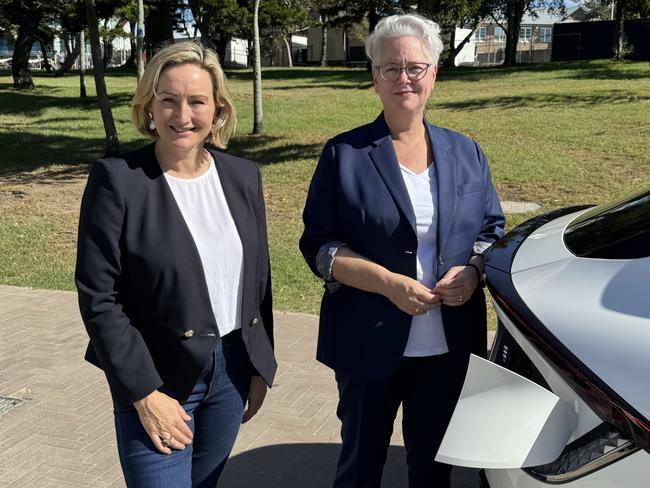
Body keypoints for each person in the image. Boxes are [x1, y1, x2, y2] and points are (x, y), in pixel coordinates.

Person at [299, 14, 505, 488]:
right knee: (360, 468)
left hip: (447, 347)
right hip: (367, 343)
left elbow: (492, 230)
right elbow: (319, 245)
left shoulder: (467, 152)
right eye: (390, 68)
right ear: (374, 77)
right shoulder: (344, 155)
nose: (404, 78)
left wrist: (473, 272)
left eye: (415, 67)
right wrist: (387, 284)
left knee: (433, 471)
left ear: (434, 73)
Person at [75, 41, 276, 487]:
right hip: (157, 377)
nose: (182, 116)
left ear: (218, 109)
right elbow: (98, 297)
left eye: (197, 101)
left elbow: (257, 280)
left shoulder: (243, 176)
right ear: (149, 106)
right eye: (168, 100)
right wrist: (144, 394)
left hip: (231, 371)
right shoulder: (118, 181)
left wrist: (260, 364)